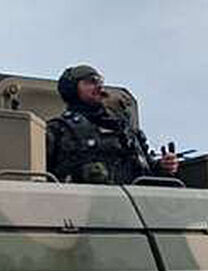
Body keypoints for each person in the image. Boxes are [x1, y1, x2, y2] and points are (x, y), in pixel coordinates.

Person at [45, 65, 179, 184]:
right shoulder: (58, 129)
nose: (99, 87)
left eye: (100, 82)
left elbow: (146, 170)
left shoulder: (126, 130)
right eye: (91, 82)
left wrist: (163, 166)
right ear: (72, 89)